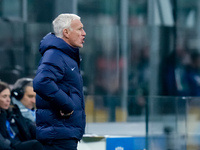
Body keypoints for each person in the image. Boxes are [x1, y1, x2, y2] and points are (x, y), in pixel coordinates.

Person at [33, 13, 86, 150]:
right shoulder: (55, 54)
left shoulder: (64, 55)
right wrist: (67, 105)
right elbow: (41, 82)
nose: (84, 33)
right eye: (80, 29)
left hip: (63, 133)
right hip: (59, 135)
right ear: (66, 32)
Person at [0, 81, 43, 150]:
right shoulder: (5, 114)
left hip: (18, 144)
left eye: (9, 96)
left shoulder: (12, 112)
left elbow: (29, 127)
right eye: (4, 96)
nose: (8, 100)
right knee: (37, 144)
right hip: (11, 147)